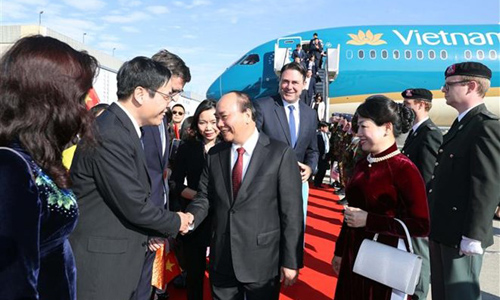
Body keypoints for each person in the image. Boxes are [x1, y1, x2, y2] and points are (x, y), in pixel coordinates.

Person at [69, 56, 193, 300]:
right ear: (140, 93)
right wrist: (176, 221)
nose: (169, 104)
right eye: (166, 96)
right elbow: (133, 204)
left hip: (123, 257)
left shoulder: (124, 128)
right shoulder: (111, 133)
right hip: (104, 265)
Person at [0, 35, 97, 300]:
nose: (83, 110)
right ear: (48, 99)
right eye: (78, 99)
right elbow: (12, 284)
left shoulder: (36, 160)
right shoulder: (10, 167)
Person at [185, 91, 304, 300]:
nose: (218, 124)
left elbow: (291, 212)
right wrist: (190, 217)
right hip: (222, 258)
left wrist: (291, 260)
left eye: (223, 117)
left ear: (247, 115)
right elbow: (204, 197)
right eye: (216, 118)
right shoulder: (215, 154)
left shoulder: (280, 153)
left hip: (262, 260)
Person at [332, 95, 430, 300]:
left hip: (384, 264)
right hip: (353, 257)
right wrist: (340, 251)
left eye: (363, 126)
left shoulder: (404, 169)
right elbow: (351, 213)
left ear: (387, 127)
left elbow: (421, 225)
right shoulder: (362, 164)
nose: (358, 134)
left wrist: (370, 220)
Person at [428, 62, 500, 300]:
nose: (443, 90)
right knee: (442, 294)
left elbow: (487, 184)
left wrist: (474, 235)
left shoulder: (485, 126)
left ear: (470, 86)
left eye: (449, 85)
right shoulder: (461, 124)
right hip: (443, 229)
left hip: (462, 234)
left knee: (461, 295)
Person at [137, 49, 191, 300]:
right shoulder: (140, 123)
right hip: (142, 228)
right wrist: (152, 227)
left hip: (158, 223)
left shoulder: (163, 121)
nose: (174, 98)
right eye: (174, 91)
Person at [254, 62, 319, 225]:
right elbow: (253, 145)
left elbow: (313, 150)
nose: (289, 86)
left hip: (297, 186)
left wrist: (310, 168)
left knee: (293, 234)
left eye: (295, 82)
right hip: (266, 186)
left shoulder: (310, 115)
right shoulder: (263, 106)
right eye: (285, 81)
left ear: (304, 84)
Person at [170, 100, 220, 300]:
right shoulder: (187, 148)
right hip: (194, 217)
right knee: (194, 275)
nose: (208, 128)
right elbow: (174, 183)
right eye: (202, 122)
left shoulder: (229, 147)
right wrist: (198, 195)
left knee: (219, 276)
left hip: (220, 219)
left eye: (213, 121)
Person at [401, 88, 442, 300]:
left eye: (408, 105)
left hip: (420, 206)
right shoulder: (416, 132)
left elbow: (427, 176)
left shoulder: (430, 134)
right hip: (410, 204)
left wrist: (418, 207)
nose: (404, 110)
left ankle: (418, 295)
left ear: (422, 105)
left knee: (420, 254)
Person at [313, 121, 331, 187]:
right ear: (322, 127)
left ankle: (319, 182)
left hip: (326, 155)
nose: (327, 129)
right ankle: (316, 183)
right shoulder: (318, 135)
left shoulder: (326, 134)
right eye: (326, 127)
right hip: (320, 155)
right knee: (320, 170)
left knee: (323, 170)